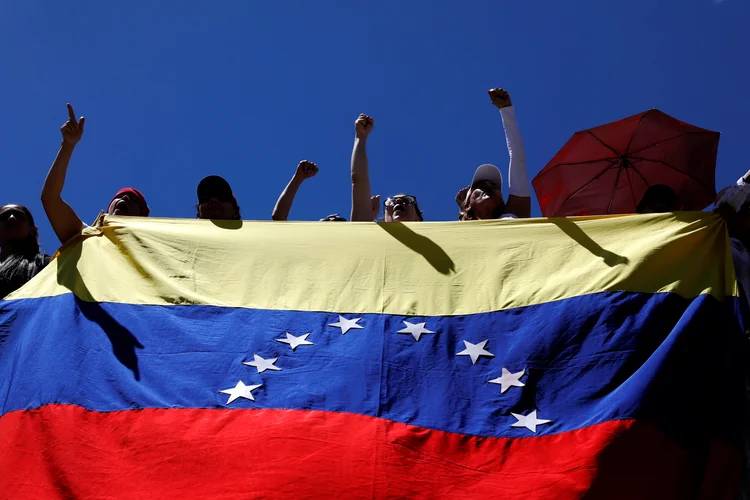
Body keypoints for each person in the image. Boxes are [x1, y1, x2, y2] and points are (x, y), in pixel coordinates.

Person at [41, 104, 150, 246]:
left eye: (133, 200)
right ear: (108, 210)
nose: (124, 198)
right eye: (119, 197)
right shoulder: (87, 237)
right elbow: (50, 198)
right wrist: (68, 144)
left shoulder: (149, 248)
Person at [457, 88, 531, 221]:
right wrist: (463, 210)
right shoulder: (459, 233)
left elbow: (517, 157)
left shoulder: (516, 212)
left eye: (494, 187)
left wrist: (506, 110)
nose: (488, 186)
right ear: (468, 203)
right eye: (480, 186)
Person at [350, 114, 423, 222]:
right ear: (383, 219)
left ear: (418, 219)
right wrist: (360, 136)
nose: (398, 201)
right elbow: (358, 180)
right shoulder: (369, 234)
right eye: (391, 201)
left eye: (407, 201)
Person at [0, 204, 50, 299]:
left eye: (19, 216)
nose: (11, 218)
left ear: (32, 229)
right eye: (4, 217)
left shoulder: (47, 265)